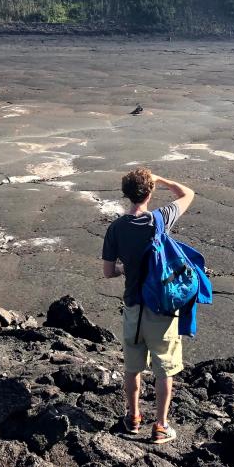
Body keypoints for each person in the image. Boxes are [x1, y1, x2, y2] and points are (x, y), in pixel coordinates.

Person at [101, 167, 195, 444]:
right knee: (164, 368)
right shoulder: (161, 219)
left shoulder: (116, 228)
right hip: (162, 306)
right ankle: (161, 426)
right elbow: (188, 193)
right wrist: (163, 179)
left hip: (133, 307)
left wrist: (124, 267)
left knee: (133, 367)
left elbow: (108, 272)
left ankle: (133, 418)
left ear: (125, 194)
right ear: (150, 191)